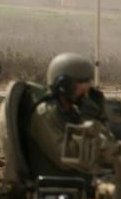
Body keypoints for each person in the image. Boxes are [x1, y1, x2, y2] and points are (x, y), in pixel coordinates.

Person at [26, 52, 107, 183]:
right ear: (64, 85)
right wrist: (88, 121)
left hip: (82, 183)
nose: (87, 87)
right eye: (81, 82)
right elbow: (68, 158)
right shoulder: (45, 114)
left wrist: (101, 118)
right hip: (57, 189)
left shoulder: (73, 111)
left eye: (88, 81)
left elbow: (104, 148)